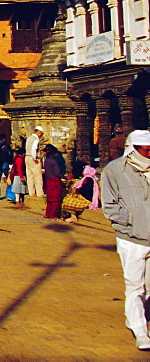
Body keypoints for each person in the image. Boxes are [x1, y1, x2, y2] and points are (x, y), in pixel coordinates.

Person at [102, 129, 150, 351]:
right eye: (147, 151)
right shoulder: (114, 171)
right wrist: (128, 224)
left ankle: (134, 317)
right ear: (134, 149)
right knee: (134, 286)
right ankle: (141, 332)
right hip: (131, 239)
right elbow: (109, 205)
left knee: (148, 288)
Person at [42, 144, 65, 219]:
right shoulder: (53, 161)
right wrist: (65, 177)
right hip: (54, 181)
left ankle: (48, 213)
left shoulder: (46, 161)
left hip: (48, 180)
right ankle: (53, 214)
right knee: (55, 199)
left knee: (50, 199)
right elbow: (57, 173)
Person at [25, 126, 45, 198]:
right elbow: (34, 149)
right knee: (37, 176)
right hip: (32, 158)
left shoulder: (29, 138)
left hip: (27, 157)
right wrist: (35, 158)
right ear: (39, 133)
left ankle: (31, 192)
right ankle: (39, 193)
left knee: (30, 176)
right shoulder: (36, 139)